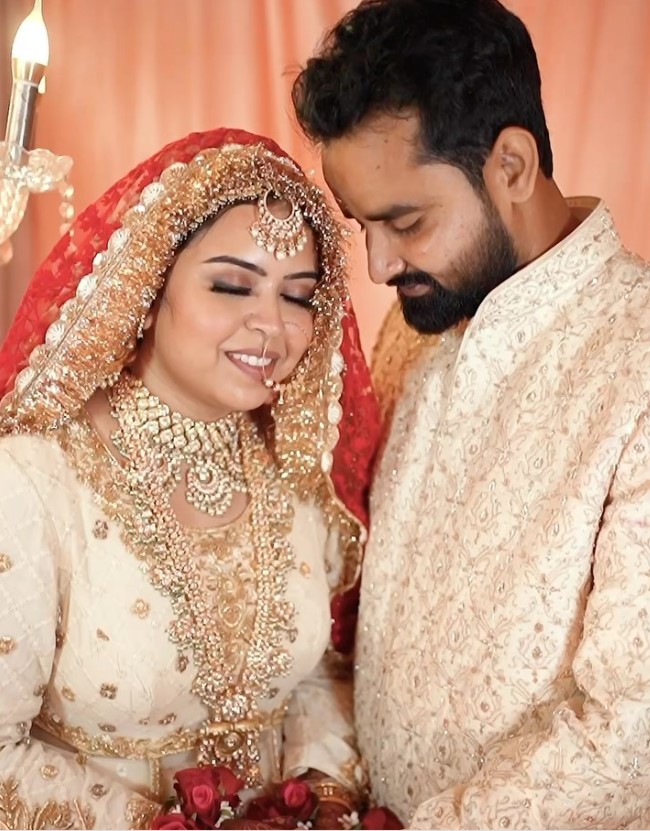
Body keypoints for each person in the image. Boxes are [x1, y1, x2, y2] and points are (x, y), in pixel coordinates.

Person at [293, 0, 650, 828]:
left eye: (406, 221)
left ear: (513, 165)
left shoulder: (642, 356)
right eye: (363, 225)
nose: (378, 264)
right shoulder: (413, 335)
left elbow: (636, 734)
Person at [0, 127, 380, 830]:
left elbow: (318, 672)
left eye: (299, 297)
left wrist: (322, 791)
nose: (271, 326)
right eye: (231, 285)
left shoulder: (298, 473)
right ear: (150, 287)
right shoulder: (34, 480)